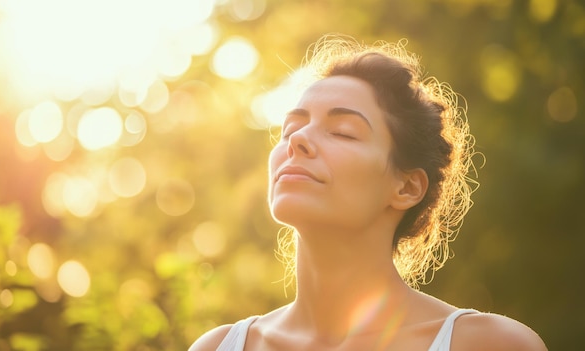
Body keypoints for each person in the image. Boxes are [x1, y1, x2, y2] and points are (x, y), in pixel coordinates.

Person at [189, 34, 547, 351]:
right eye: (290, 129)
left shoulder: (490, 345)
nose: (297, 140)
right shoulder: (220, 346)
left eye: (343, 131)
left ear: (406, 187)